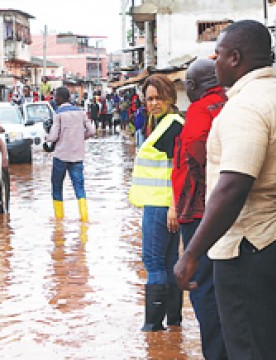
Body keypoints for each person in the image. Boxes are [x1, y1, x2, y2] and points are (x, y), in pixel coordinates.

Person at [174, 19, 276, 359]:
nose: (215, 62)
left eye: (219, 54)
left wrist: (191, 254)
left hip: (248, 247)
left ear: (236, 58)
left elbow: (234, 185)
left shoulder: (244, 107)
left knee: (248, 348)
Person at [172, 58, 228, 360]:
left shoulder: (199, 109)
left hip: (199, 215)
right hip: (225, 211)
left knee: (201, 286)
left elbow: (194, 143)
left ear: (192, 86)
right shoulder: (228, 103)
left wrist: (202, 181)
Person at [128, 74, 184, 332]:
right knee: (169, 261)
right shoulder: (163, 124)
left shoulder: (171, 126)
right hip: (165, 206)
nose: (153, 103)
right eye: (149, 99)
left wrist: (173, 206)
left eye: (159, 98)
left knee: (153, 262)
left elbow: (178, 169)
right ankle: (173, 324)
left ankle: (152, 327)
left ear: (170, 98)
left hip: (161, 206)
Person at [45, 86, 95, 221]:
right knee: (79, 188)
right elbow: (91, 131)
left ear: (60, 98)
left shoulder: (58, 114)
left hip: (61, 156)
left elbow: (53, 136)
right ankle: (84, 218)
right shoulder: (80, 112)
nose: (54, 99)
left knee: (57, 187)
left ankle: (59, 220)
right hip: (77, 156)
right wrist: (79, 138)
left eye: (55, 96)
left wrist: (47, 138)